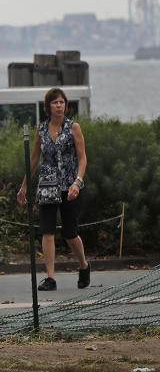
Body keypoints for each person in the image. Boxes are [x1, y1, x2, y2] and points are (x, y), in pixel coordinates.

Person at [17, 87, 90, 291]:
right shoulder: (41, 130)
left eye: (62, 102)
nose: (59, 106)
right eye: (55, 102)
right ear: (48, 106)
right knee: (47, 231)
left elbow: (83, 158)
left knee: (69, 232)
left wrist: (77, 182)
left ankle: (84, 265)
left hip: (70, 186)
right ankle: (50, 278)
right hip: (47, 186)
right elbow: (33, 160)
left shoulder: (73, 127)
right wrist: (24, 186)